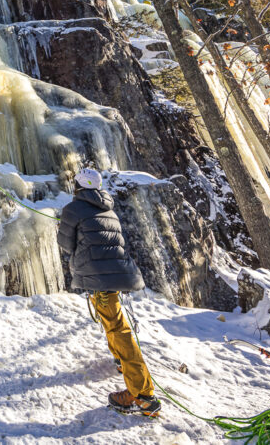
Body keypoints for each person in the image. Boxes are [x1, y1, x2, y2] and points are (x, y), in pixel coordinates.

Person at [58, 167, 161, 417]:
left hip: (98, 277)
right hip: (117, 274)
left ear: (79, 188)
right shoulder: (109, 209)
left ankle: (143, 395)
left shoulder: (73, 209)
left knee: (119, 329)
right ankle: (120, 361)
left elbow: (65, 244)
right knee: (113, 322)